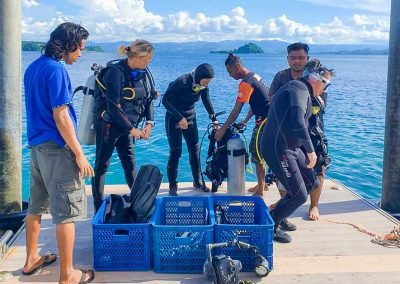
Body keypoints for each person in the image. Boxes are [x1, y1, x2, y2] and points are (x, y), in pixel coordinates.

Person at [23, 22, 95, 283]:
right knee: (67, 213)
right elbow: (61, 114)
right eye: (80, 49)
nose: (80, 54)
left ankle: (31, 260)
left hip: (37, 148)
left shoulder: (33, 67)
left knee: (36, 206)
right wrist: (78, 153)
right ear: (68, 46)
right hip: (57, 150)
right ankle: (68, 275)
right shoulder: (57, 70)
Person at [260, 60, 334, 243]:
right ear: (317, 79)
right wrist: (310, 151)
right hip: (278, 148)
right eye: (327, 84)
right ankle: (271, 226)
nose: (326, 89)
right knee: (299, 194)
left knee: (312, 184)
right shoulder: (299, 89)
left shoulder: (304, 91)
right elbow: (297, 122)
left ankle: (276, 215)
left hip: (290, 147)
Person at [92, 40, 155, 212]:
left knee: (130, 163)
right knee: (102, 165)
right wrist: (132, 129)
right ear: (139, 56)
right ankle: (98, 207)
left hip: (127, 126)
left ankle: (137, 203)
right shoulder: (115, 73)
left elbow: (148, 99)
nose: (150, 61)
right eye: (148, 57)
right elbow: (113, 106)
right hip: (109, 125)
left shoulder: (143, 73)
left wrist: (149, 123)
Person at [266, 42, 310, 232]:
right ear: (287, 59)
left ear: (306, 59)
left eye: (300, 57)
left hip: (305, 134)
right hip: (281, 138)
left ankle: (281, 214)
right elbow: (272, 99)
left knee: (310, 179)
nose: (297, 61)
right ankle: (279, 218)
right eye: (293, 58)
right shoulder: (282, 76)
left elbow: (318, 103)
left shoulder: (312, 77)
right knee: (285, 178)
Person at [214, 53, 270, 196]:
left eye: (230, 71)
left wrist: (223, 129)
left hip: (265, 122)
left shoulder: (245, 83)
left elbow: (236, 109)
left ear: (237, 67)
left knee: (257, 154)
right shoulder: (254, 77)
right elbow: (257, 102)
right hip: (269, 118)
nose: (229, 75)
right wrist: (245, 120)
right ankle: (262, 184)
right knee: (260, 153)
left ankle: (261, 190)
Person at [162, 63, 217, 196]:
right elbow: (165, 101)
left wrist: (213, 117)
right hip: (174, 118)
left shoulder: (203, 85)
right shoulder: (182, 81)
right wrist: (180, 118)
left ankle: (197, 182)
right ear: (199, 77)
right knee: (176, 152)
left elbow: (206, 99)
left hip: (190, 117)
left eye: (209, 82)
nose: (207, 84)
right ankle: (172, 185)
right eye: (206, 81)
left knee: (195, 150)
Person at [303, 59, 331, 221]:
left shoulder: (322, 90)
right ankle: (285, 200)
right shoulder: (295, 85)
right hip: (295, 134)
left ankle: (314, 204)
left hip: (315, 133)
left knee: (318, 168)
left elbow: (321, 106)